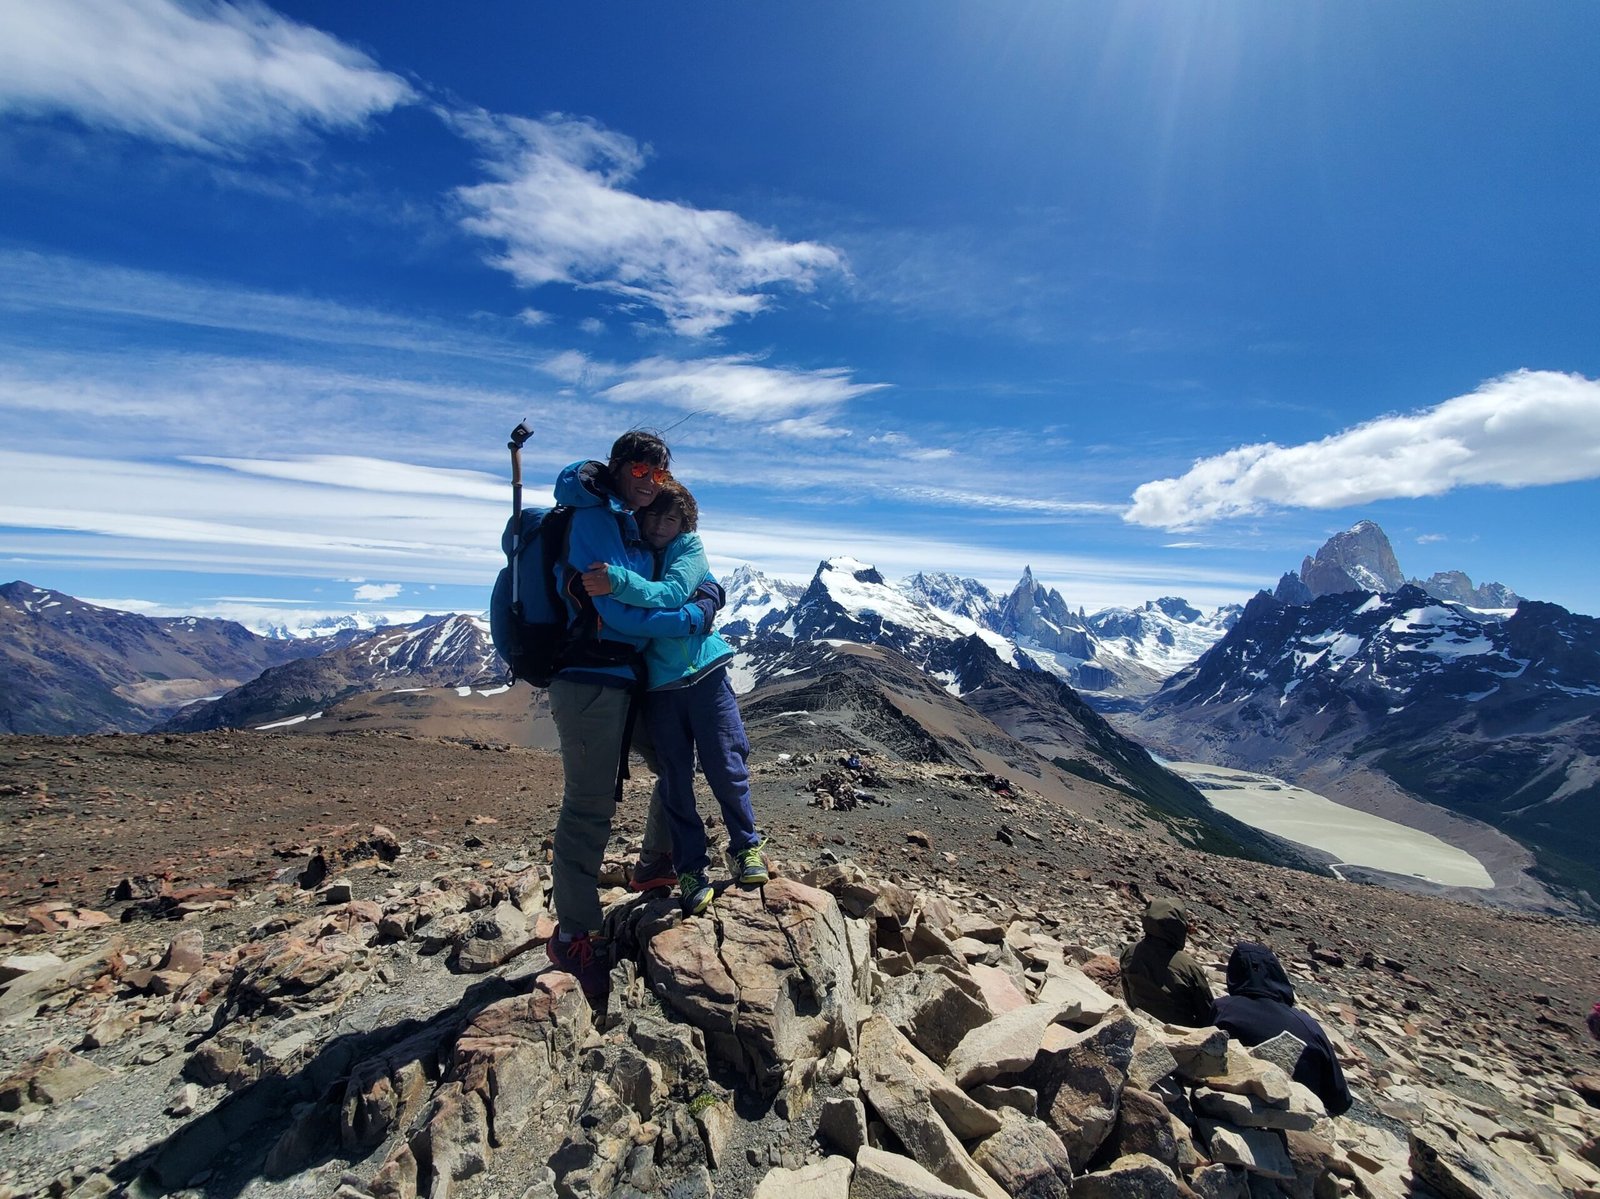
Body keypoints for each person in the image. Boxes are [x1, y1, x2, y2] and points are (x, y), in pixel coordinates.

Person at [543, 431, 720, 1000]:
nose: (650, 484)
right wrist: (691, 618)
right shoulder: (594, 517)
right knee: (590, 804)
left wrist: (704, 593)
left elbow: (666, 581)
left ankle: (653, 864)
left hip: (629, 677)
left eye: (660, 476)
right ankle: (573, 931)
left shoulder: (628, 517)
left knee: (674, 765)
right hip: (591, 677)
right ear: (619, 468)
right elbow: (617, 610)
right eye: (641, 472)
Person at [581, 480, 768, 917]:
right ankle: (689, 869)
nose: (662, 525)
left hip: (705, 674)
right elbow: (671, 614)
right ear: (641, 517)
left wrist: (625, 589)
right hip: (661, 688)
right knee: (675, 782)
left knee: (726, 765)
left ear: (685, 524)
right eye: (655, 515)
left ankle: (746, 847)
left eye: (672, 518)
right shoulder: (635, 551)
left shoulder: (688, 551)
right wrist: (686, 618)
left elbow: (668, 598)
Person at [1213, 941, 1353, 1116]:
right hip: (1299, 1119)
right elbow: (1340, 1102)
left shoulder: (1220, 1010)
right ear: (1277, 974)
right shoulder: (1308, 1026)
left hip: (1223, 1110)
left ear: (1234, 974)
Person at [1119, 896, 1216, 1027]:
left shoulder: (1129, 951)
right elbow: (1207, 1012)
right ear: (1178, 927)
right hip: (1181, 1034)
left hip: (1140, 1023)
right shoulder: (1189, 966)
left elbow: (1127, 993)